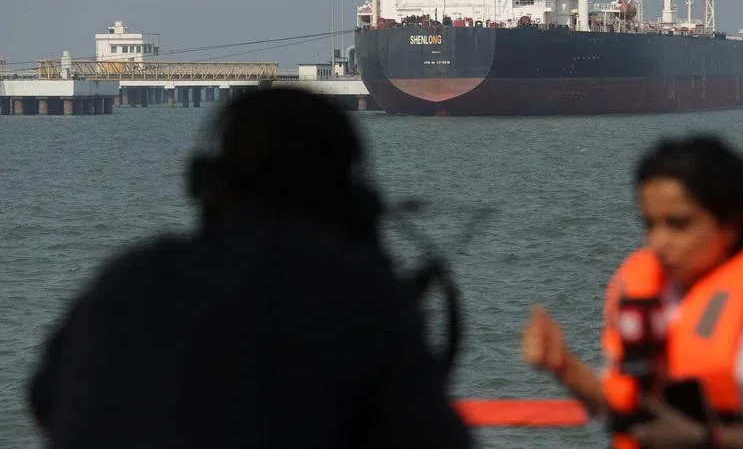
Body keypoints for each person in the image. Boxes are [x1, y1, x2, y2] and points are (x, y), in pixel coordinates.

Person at [27, 87, 473, 448]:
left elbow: (43, 400)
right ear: (352, 198)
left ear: (206, 184)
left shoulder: (131, 278)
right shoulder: (364, 298)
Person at [521, 134, 743, 449]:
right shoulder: (644, 293)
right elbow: (624, 411)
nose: (659, 242)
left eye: (678, 224)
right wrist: (564, 367)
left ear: (730, 225)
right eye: (650, 224)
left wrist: (705, 440)